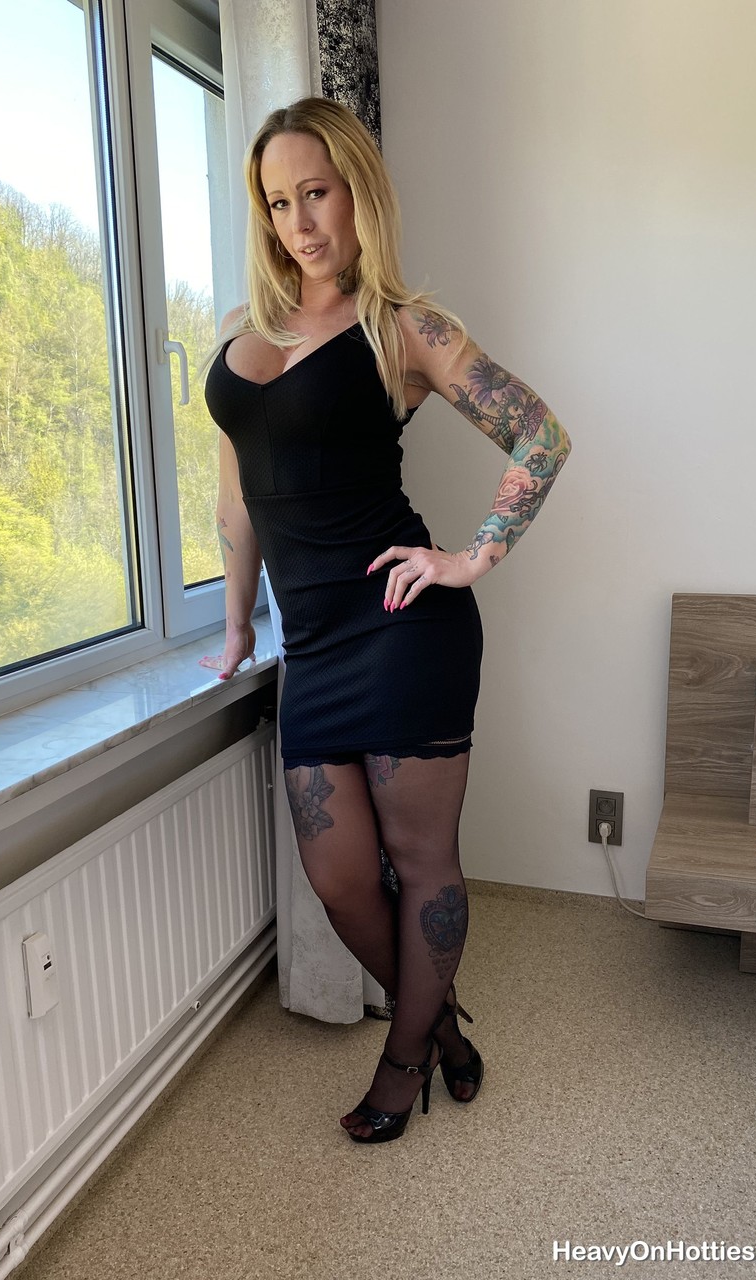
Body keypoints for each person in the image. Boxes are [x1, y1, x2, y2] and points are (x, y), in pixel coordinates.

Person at [199, 96, 570, 1144]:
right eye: (279, 202)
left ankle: (405, 1060)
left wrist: (469, 557)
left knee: (423, 858)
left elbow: (541, 437)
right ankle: (442, 1026)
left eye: (317, 192)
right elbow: (236, 504)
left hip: (406, 628)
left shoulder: (404, 325)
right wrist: (237, 627)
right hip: (312, 646)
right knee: (339, 878)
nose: (301, 221)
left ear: (359, 191)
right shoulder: (237, 333)